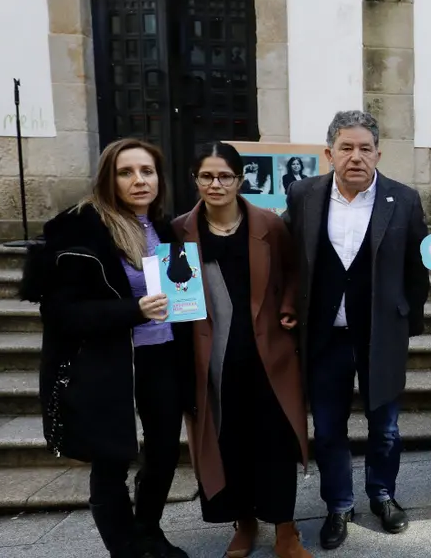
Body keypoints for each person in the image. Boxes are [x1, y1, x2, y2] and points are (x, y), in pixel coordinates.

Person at [24, 138, 192, 558]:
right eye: (126, 172)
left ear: (159, 179)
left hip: (161, 355)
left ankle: (149, 530)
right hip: (109, 362)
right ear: (108, 178)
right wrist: (131, 309)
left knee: (165, 450)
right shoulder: (80, 228)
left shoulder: (164, 228)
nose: (139, 181)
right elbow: (62, 313)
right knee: (111, 456)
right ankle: (124, 546)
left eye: (147, 171)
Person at [283, 110, 430, 550]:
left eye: (365, 148)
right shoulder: (303, 195)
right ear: (329, 153)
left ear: (378, 154)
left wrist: (407, 318)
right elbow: (291, 259)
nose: (356, 157)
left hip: (381, 334)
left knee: (384, 427)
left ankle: (383, 496)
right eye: (346, 148)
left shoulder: (402, 200)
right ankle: (338, 505)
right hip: (325, 335)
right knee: (328, 428)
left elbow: (415, 269)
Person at [171, 143, 311, 558]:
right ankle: (244, 523)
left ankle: (286, 530)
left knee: (277, 441)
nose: (216, 184)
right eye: (207, 176)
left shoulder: (269, 224)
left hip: (270, 358)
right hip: (212, 361)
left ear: (240, 179)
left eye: (225, 176)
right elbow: (176, 295)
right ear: (195, 180)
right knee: (228, 442)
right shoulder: (178, 231)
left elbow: (293, 274)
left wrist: (288, 307)